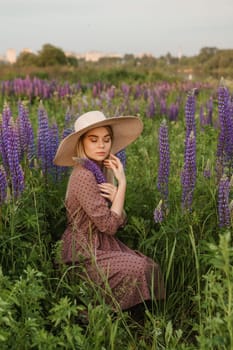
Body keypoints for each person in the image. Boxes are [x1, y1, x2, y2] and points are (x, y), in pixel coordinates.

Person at [53, 110, 165, 315]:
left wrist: (116, 199)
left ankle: (133, 318)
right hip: (83, 255)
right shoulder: (83, 175)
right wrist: (122, 185)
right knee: (140, 268)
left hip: (101, 245)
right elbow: (110, 226)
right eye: (93, 139)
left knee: (151, 266)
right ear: (82, 143)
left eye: (106, 139)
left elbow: (119, 220)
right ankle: (95, 315)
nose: (101, 145)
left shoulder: (100, 171)